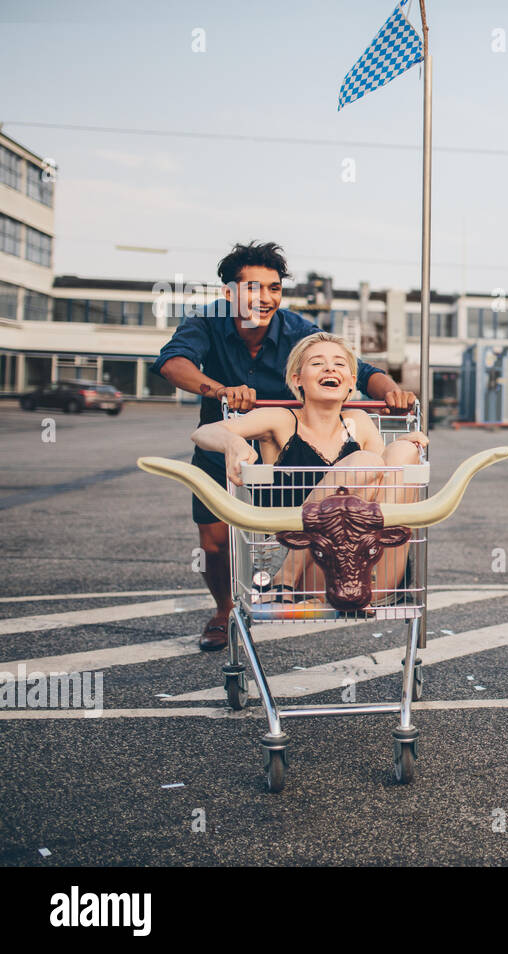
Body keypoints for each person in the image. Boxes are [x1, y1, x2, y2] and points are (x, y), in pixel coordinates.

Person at [152, 241, 417, 649]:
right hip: (227, 441)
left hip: (291, 451)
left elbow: (358, 370)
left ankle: (311, 579)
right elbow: (173, 363)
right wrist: (220, 390)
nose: (265, 298)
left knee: (353, 486)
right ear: (230, 293)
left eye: (274, 288)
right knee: (214, 541)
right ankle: (224, 609)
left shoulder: (299, 332)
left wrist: (393, 391)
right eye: (254, 287)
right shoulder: (204, 323)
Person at [190, 332, 426, 604]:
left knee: (403, 451)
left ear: (351, 383)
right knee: (367, 461)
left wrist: (406, 445)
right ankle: (287, 574)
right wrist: (232, 442)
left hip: (362, 568)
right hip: (305, 562)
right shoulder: (280, 420)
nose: (329, 368)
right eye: (317, 363)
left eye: (339, 364)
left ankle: (347, 581)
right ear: (297, 379)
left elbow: (383, 484)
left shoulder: (358, 422)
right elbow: (204, 433)